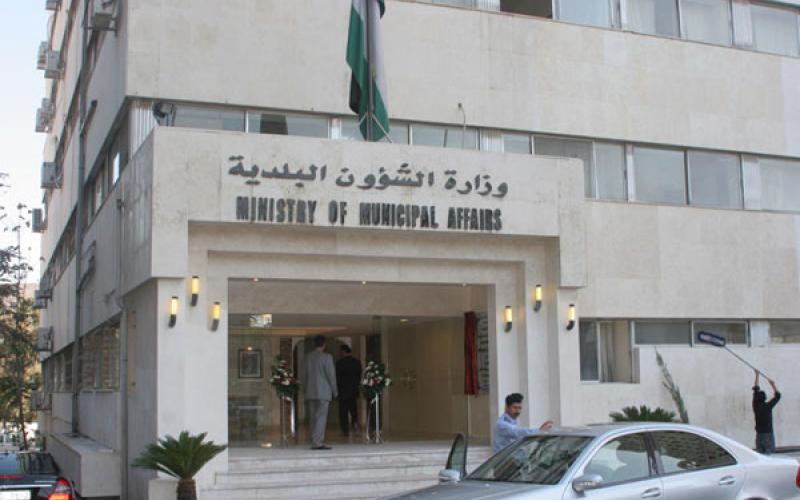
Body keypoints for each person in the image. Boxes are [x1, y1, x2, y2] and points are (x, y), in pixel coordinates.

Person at [304, 335, 338, 450]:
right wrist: (335, 391)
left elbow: (304, 375)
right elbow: (331, 375)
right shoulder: (327, 357)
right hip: (323, 392)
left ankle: (314, 440)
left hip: (310, 391)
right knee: (321, 417)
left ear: (314, 344)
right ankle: (318, 442)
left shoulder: (308, 357)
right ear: (324, 344)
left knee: (313, 418)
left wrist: (305, 388)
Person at [336, 344, 362, 436]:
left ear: (343, 352)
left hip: (342, 391)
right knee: (353, 409)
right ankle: (355, 424)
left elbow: (337, 377)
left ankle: (345, 429)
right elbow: (359, 376)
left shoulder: (339, 363)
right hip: (353, 390)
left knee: (343, 411)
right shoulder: (356, 362)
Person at [752, 370, 781, 454]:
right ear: (765, 398)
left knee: (760, 456)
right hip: (768, 434)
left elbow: (756, 389)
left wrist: (757, 375)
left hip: (759, 435)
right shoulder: (768, 406)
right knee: (769, 456)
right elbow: (778, 396)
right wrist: (773, 385)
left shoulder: (755, 405)